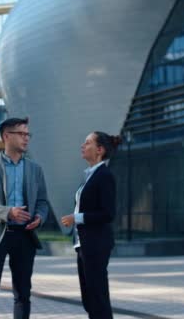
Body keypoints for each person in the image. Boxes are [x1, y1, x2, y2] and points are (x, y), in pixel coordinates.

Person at [0, 117, 49, 319]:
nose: (26, 138)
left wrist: (40, 217)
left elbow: (42, 201)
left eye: (27, 134)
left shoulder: (35, 169)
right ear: (7, 136)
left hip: (25, 236)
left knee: (23, 294)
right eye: (21, 134)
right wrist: (7, 212)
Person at [61, 131, 121, 319]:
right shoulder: (90, 175)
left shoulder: (104, 175)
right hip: (84, 244)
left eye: (87, 143)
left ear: (100, 150)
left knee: (97, 297)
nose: (82, 146)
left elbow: (108, 213)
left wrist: (76, 218)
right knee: (89, 298)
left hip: (96, 244)